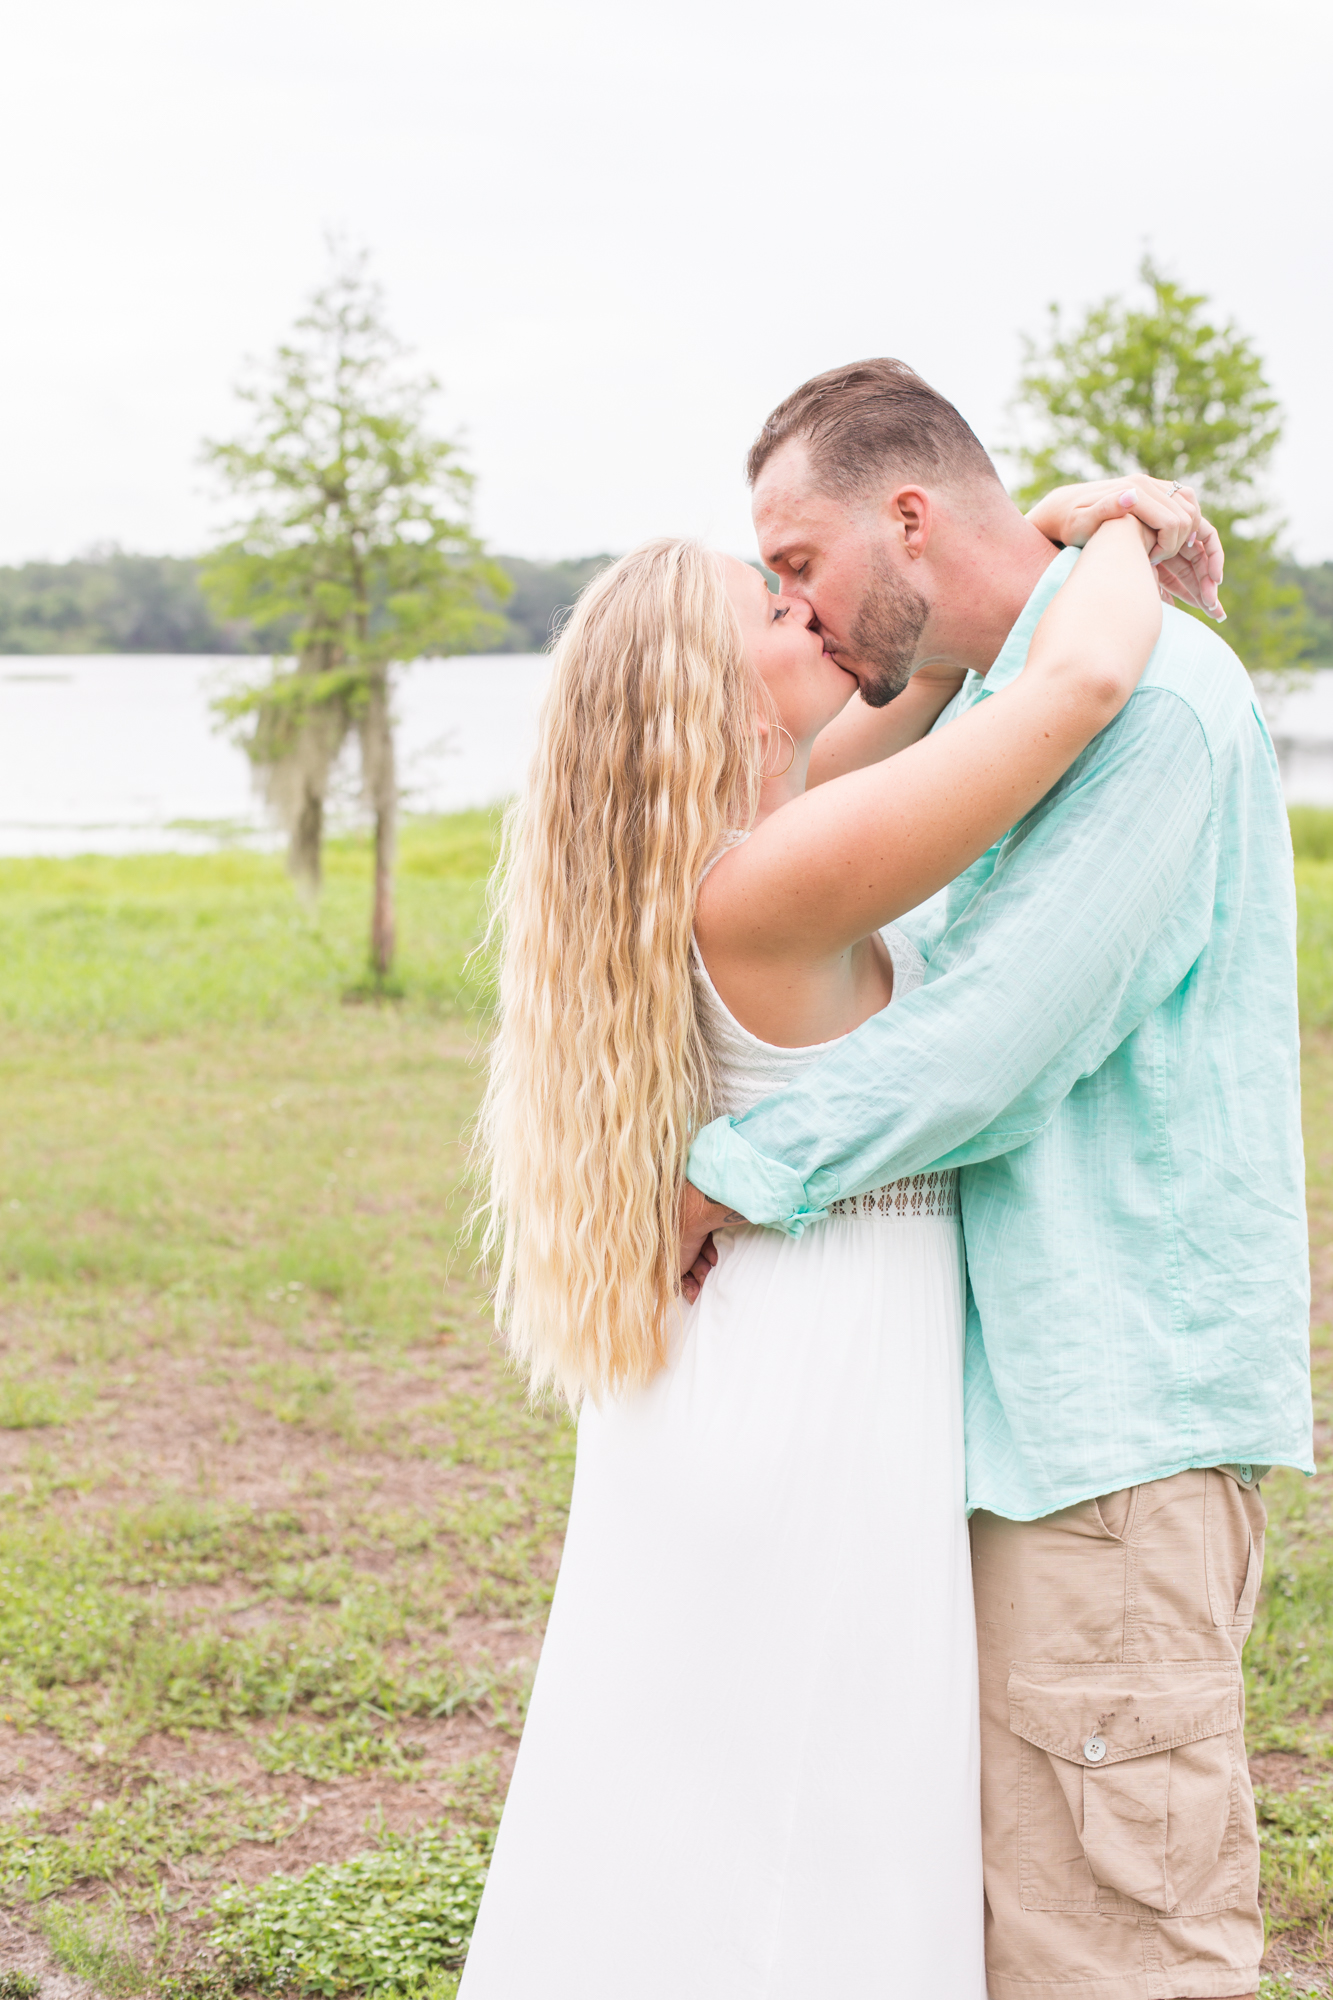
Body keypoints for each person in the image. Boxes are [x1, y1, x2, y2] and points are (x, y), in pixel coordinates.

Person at [461, 451, 1202, 1995]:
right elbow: (1061, 692)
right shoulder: (775, 878)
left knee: (715, 1780)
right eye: (771, 601)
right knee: (826, 1787)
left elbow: (921, 687)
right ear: (702, 684)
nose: (808, 607)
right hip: (818, 1365)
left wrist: (1036, 529)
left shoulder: (757, 838)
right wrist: (1129, 520)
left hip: (770, 1351)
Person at [681, 361, 1313, 2000]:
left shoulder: (1155, 702)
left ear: (906, 516)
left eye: (801, 564)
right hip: (1016, 1414)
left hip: (1107, 1427)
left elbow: (996, 1043)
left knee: (1115, 1944)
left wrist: (725, 1176)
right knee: (1006, 1917)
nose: (800, 614)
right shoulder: (1005, 699)